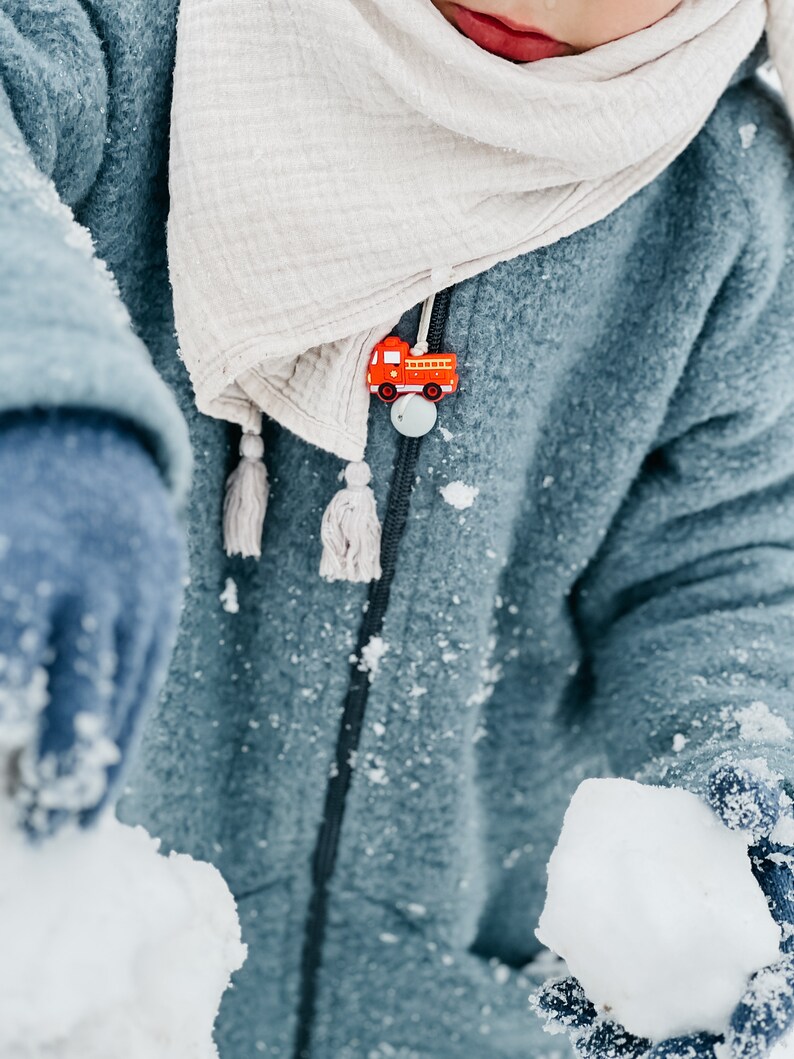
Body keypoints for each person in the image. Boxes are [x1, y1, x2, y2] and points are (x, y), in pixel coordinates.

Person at [1, 1, 794, 1057]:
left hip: (466, 1015)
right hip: (81, 991)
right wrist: (47, 402)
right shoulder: (120, 34)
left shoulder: (723, 204)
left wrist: (734, 782)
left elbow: (723, 559)